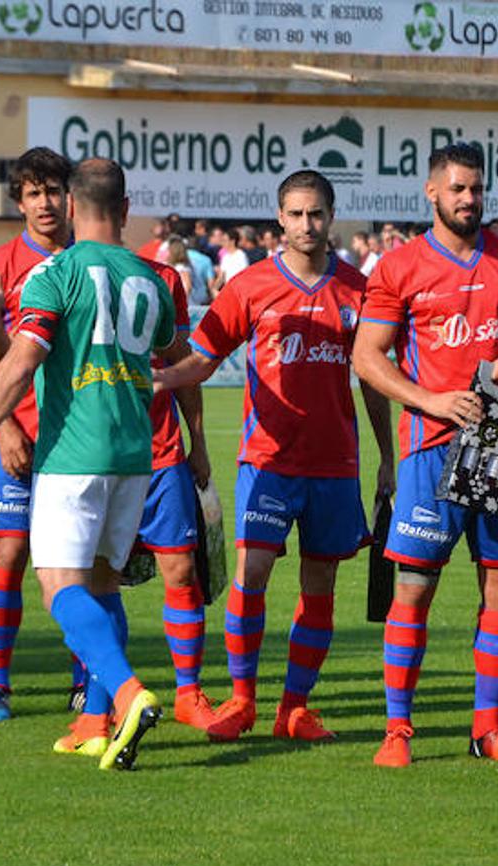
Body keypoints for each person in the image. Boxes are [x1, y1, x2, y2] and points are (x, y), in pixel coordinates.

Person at [0, 158, 181, 771]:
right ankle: (95, 722)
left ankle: (126, 695)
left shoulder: (56, 272)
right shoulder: (152, 277)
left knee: (57, 587)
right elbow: (180, 355)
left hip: (73, 452)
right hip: (134, 454)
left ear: (71, 206)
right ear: (125, 210)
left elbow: (19, 364)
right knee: (102, 584)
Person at [157, 170, 395, 744]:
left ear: (331, 216)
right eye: (295, 214)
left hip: (335, 464)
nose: (306, 224)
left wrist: (388, 455)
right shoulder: (250, 288)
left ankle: (294, 708)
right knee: (252, 575)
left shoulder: (358, 289)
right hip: (267, 460)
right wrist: (160, 377)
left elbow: (372, 379)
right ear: (279, 219)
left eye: (316, 214)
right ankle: (242, 700)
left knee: (320, 587)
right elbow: (204, 357)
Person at [352, 142, 498, 767]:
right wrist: (430, 401)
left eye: (476, 188)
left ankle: (489, 729)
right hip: (428, 449)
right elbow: (367, 357)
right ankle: (397, 731)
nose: (469, 199)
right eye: (458, 189)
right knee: (413, 589)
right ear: (432, 193)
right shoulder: (399, 267)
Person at [0, 147, 75, 722]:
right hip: (21, 438)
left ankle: (86, 682)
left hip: (79, 438)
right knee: (10, 552)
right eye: (33, 193)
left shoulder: (88, 259)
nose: (45, 203)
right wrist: (3, 428)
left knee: (83, 562)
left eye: (53, 190)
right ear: (19, 202)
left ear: (68, 195)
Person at [181, 237, 214, 306]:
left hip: (185, 296)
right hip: (201, 297)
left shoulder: (182, 257)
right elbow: (211, 283)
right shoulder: (206, 259)